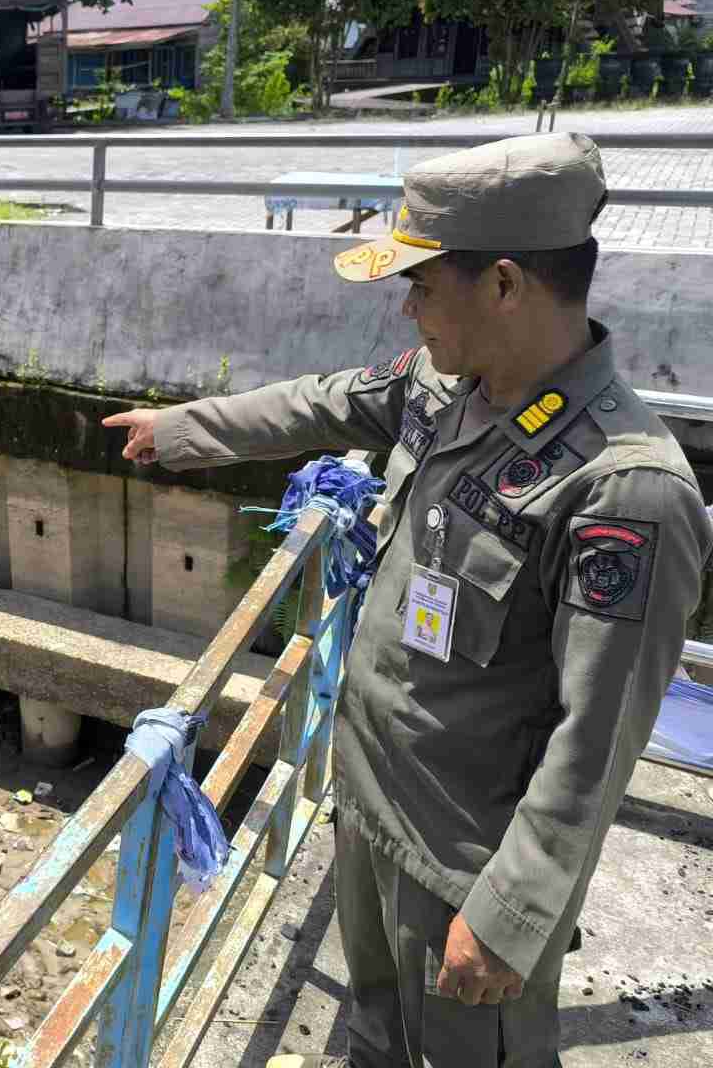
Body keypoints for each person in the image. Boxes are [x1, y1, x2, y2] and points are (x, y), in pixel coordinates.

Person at [104, 133, 713, 1068]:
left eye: (424, 284)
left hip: (463, 867)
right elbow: (325, 400)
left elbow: (598, 739)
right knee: (374, 1032)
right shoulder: (444, 385)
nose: (408, 305)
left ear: (504, 285)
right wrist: (183, 429)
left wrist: (510, 915)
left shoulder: (622, 491)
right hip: (372, 801)